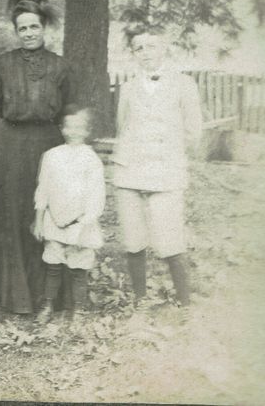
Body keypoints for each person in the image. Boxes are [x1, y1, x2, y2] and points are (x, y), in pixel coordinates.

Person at [0, 0, 75, 314]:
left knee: (48, 210)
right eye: (21, 28)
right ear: (16, 32)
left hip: (49, 142)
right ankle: (13, 295)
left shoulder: (60, 66)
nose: (28, 33)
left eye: (33, 26)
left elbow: (68, 107)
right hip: (11, 144)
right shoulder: (3, 64)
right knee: (13, 212)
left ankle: (50, 295)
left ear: (44, 28)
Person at [112, 31, 202, 318]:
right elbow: (121, 127)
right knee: (133, 238)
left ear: (164, 49)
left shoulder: (184, 84)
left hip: (166, 172)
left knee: (170, 239)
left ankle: (185, 303)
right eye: (138, 48)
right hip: (131, 171)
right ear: (134, 54)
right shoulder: (127, 88)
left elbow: (193, 131)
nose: (145, 52)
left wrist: (170, 156)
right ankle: (140, 298)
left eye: (151, 46)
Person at [32, 107, 106, 323]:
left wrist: (83, 225)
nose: (74, 131)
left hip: (81, 223)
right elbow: (42, 190)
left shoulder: (91, 159)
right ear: (62, 129)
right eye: (69, 126)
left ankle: (79, 309)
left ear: (87, 130)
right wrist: (39, 222)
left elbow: (96, 197)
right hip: (54, 220)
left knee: (78, 268)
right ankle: (48, 305)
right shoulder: (52, 156)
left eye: (79, 127)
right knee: (53, 266)